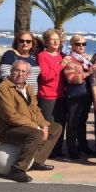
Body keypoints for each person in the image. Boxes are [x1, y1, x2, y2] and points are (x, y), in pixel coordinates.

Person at [0, 60, 63, 182]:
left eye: (24, 71)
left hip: (26, 127)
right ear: (11, 71)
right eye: (17, 70)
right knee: (36, 134)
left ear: (28, 74)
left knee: (55, 128)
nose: (20, 74)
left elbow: (36, 110)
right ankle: (18, 169)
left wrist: (44, 125)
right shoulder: (2, 88)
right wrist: (36, 127)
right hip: (7, 129)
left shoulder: (28, 88)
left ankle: (36, 161)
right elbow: (10, 116)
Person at [62, 34, 95, 159]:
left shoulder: (84, 59)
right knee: (72, 122)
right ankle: (72, 149)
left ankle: (83, 146)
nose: (81, 46)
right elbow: (71, 79)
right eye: (78, 44)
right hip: (75, 95)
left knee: (82, 121)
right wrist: (88, 74)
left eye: (84, 44)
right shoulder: (69, 59)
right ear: (72, 45)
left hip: (85, 94)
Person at [37, 29, 68, 157]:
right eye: (52, 39)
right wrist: (61, 65)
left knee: (60, 124)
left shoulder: (61, 55)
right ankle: (46, 151)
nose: (55, 41)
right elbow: (46, 76)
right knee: (48, 125)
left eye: (57, 39)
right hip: (47, 96)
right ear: (46, 42)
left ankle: (57, 149)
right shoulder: (42, 56)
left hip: (61, 95)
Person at [0, 29, 40, 94]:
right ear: (17, 43)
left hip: (33, 96)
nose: (25, 43)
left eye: (28, 41)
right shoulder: (10, 54)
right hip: (15, 95)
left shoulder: (35, 57)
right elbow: (4, 76)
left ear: (32, 44)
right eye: (21, 41)